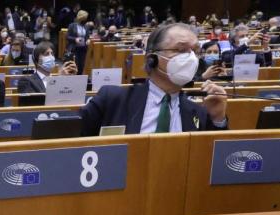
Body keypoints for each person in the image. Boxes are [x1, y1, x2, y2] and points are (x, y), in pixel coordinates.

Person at [79, 22, 228, 137]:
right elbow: (71, 144)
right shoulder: (112, 99)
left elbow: (215, 165)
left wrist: (218, 120)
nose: (191, 58)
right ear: (152, 58)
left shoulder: (198, 111)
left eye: (195, 51)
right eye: (181, 50)